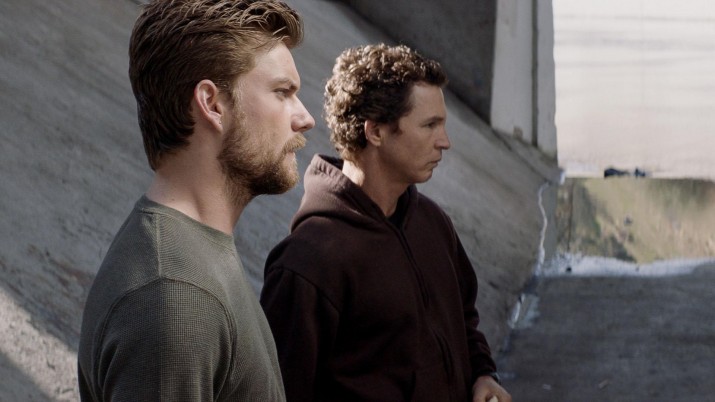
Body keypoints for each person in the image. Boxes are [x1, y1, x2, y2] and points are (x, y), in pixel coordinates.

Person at [77, 1, 314, 400]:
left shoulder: (191, 255)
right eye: (282, 92)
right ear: (213, 104)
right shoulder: (177, 299)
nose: (305, 118)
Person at [260, 44, 511, 402]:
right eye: (430, 125)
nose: (445, 142)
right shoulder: (307, 263)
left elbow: (465, 321)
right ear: (376, 132)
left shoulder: (432, 223)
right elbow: (282, 390)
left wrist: (484, 374)